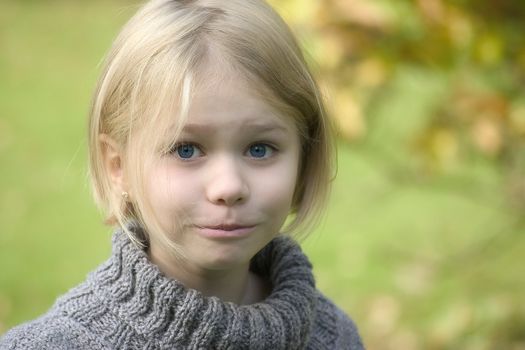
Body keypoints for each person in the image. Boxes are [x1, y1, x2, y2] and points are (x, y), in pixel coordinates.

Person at [0, 0, 364, 348]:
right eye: (186, 150)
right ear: (118, 166)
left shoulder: (335, 338)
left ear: (304, 157)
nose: (229, 187)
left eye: (259, 149)